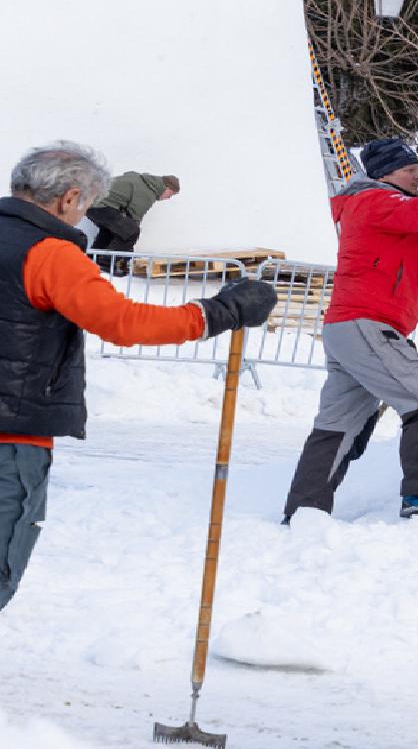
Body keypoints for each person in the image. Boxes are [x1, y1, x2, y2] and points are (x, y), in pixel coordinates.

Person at [0, 141, 276, 611]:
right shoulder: (49, 255)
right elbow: (123, 323)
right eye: (84, 205)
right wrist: (218, 313)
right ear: (68, 198)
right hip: (11, 438)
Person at [283, 136, 418, 522]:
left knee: (340, 425)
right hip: (367, 324)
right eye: (409, 169)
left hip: (352, 327)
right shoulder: (376, 201)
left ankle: (304, 511)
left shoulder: (373, 204)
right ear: (386, 173)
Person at [87, 170, 180, 275]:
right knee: (131, 232)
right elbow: (134, 217)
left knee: (110, 231)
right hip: (101, 207)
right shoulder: (148, 193)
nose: (168, 198)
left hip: (90, 204)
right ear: (167, 188)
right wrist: (127, 249)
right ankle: (107, 262)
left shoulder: (143, 181)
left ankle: (92, 259)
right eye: (170, 194)